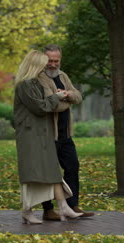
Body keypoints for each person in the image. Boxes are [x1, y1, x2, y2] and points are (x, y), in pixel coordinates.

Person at [13, 50, 83, 224]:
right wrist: (59, 97)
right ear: (36, 65)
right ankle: (29, 210)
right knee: (32, 173)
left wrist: (61, 97)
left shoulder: (36, 82)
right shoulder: (25, 85)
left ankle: (64, 206)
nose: (48, 66)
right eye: (45, 62)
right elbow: (41, 107)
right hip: (31, 134)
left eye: (53, 61)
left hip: (44, 133)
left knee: (51, 170)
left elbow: (76, 96)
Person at [38, 44, 94, 221]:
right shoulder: (38, 79)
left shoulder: (63, 76)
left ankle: (72, 205)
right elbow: (51, 104)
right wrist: (64, 98)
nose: (53, 64)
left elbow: (78, 96)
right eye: (50, 60)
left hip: (65, 134)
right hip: (48, 134)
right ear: (43, 60)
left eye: (56, 60)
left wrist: (67, 94)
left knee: (72, 166)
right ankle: (48, 210)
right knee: (49, 173)